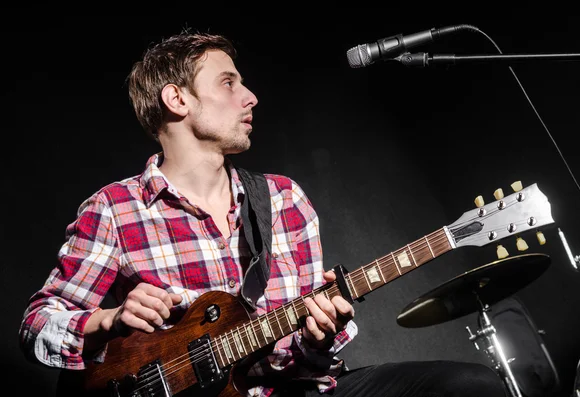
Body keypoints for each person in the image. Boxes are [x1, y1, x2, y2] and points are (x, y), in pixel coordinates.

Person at [19, 29, 507, 397]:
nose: (250, 97)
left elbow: (301, 356)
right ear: (176, 99)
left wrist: (318, 335)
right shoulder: (116, 209)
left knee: (469, 384)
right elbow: (38, 322)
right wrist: (107, 319)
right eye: (228, 82)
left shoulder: (283, 199)